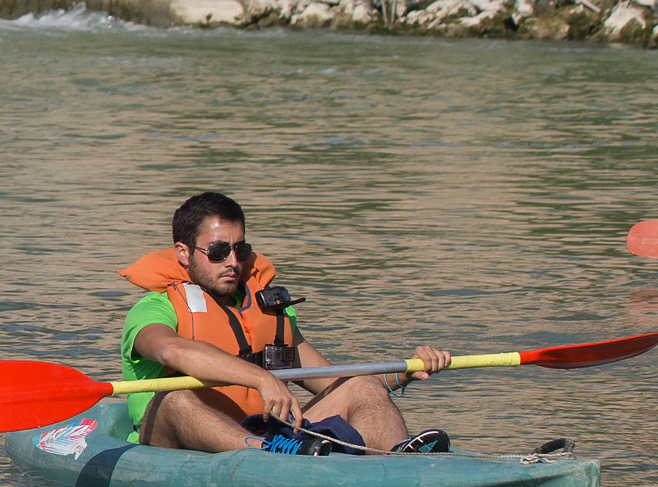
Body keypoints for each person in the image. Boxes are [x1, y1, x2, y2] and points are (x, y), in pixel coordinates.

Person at [120, 193, 452, 456]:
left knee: (361, 385)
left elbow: (333, 382)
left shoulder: (270, 313)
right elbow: (172, 349)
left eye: (241, 249)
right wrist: (261, 379)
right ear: (182, 253)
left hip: (270, 433)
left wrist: (403, 373)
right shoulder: (154, 309)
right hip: (180, 437)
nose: (233, 262)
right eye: (219, 251)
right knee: (175, 398)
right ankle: (268, 454)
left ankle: (396, 463)